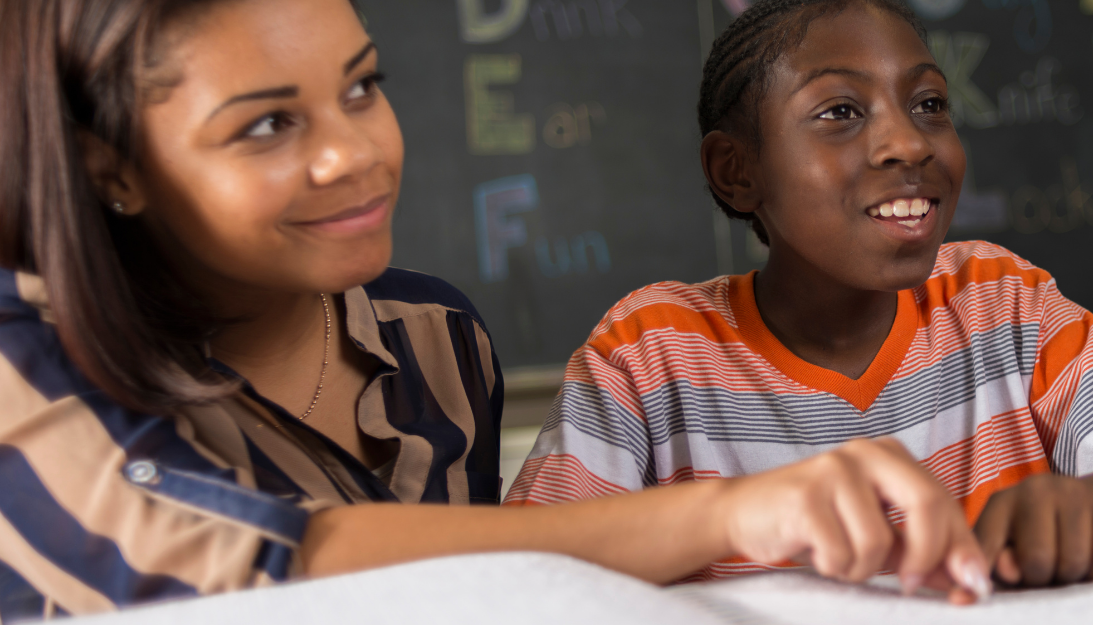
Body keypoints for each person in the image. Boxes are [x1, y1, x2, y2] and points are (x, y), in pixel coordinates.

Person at [0, 0, 988, 618]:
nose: (356, 152)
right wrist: (734, 509)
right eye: (265, 126)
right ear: (112, 167)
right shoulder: (25, 365)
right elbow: (258, 568)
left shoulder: (433, 342)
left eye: (361, 88)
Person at [506, 0, 1093, 589]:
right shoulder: (650, 352)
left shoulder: (1001, 303)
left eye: (929, 105)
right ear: (735, 172)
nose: (909, 142)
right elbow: (527, 568)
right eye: (841, 112)